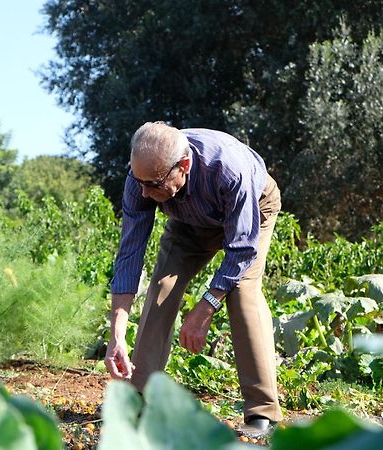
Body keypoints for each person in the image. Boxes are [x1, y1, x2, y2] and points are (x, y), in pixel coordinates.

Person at [104, 121, 283, 435]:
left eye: (153, 184)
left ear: (183, 166)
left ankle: (262, 411)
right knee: (162, 287)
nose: (144, 192)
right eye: (140, 182)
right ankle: (141, 399)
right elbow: (130, 252)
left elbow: (241, 251)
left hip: (253, 209)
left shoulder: (228, 170)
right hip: (188, 222)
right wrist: (117, 334)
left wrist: (204, 309)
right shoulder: (143, 176)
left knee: (241, 292)